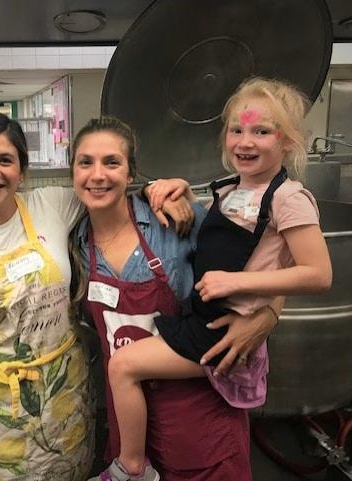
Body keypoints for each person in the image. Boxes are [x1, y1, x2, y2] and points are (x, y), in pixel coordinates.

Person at [0, 112, 187, 481]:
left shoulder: (51, 205)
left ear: (22, 171)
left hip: (63, 398)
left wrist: (160, 189)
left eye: (6, 160)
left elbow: (104, 190)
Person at [99, 79, 332, 481]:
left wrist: (235, 284)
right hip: (202, 317)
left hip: (220, 331)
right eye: (237, 130)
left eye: (261, 131)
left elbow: (319, 274)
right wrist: (177, 192)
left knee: (122, 366)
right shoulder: (231, 190)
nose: (246, 141)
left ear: (289, 143)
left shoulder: (288, 198)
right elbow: (213, 230)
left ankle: (130, 470)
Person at [68, 116, 287, 481]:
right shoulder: (75, 242)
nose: (97, 175)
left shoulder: (177, 221)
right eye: (85, 162)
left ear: (130, 171)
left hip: (198, 420)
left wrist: (269, 315)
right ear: (72, 170)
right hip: (130, 424)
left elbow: (267, 259)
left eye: (112, 162)